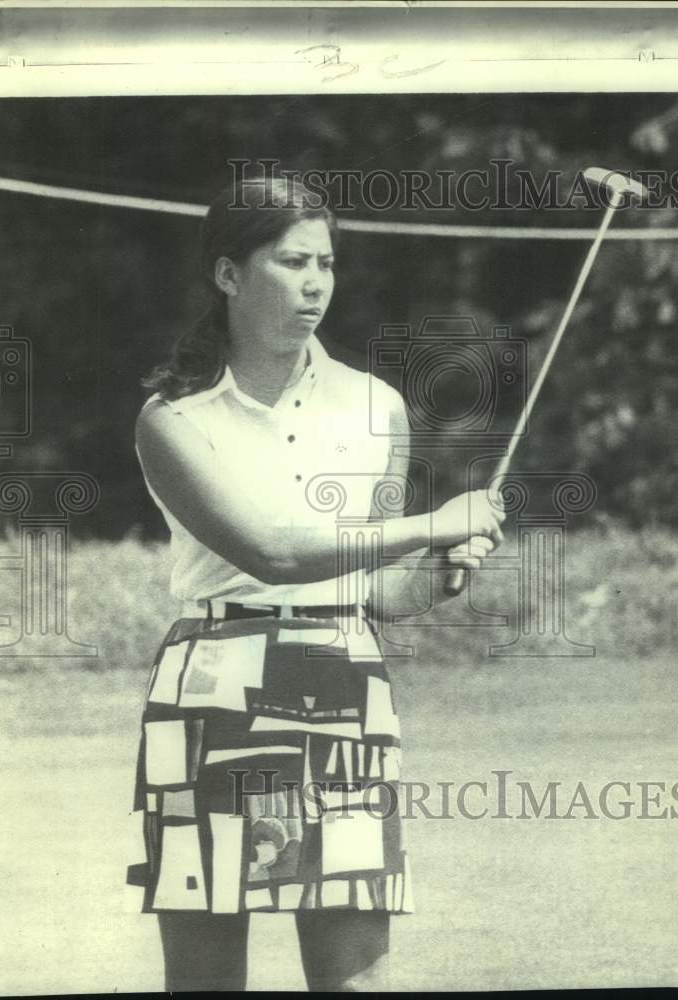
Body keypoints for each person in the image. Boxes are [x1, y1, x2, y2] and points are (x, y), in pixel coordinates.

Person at [127, 174, 505, 992]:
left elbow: (373, 590)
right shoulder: (173, 417)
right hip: (215, 689)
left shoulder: (378, 406)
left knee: (356, 983)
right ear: (229, 274)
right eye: (292, 261)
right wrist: (434, 524)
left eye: (326, 264)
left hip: (345, 678)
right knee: (205, 981)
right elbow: (274, 554)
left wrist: (436, 576)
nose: (315, 284)